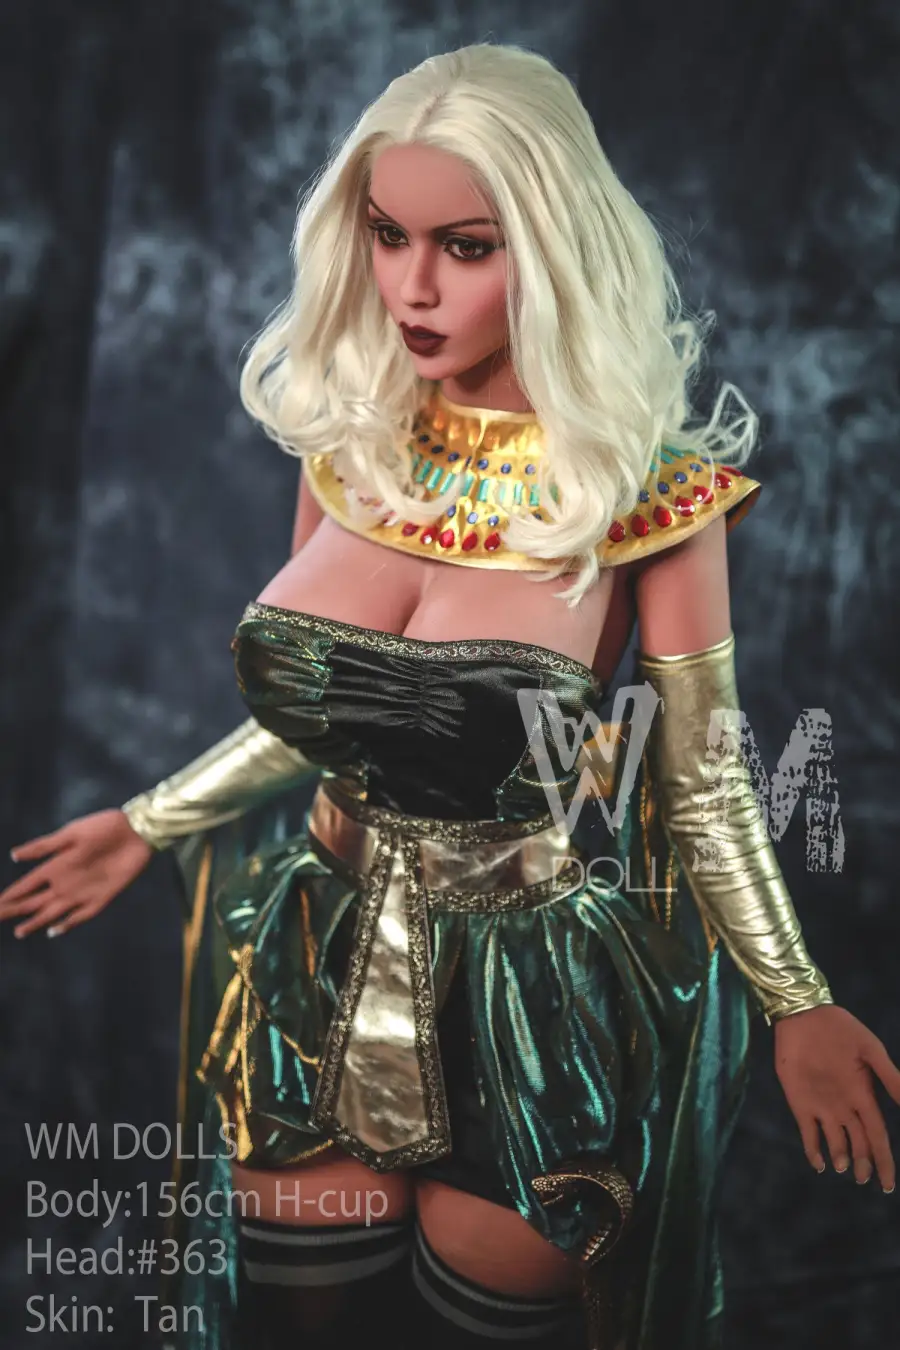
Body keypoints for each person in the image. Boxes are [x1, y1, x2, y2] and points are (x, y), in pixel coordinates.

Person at [3, 42, 898, 1350]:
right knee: (297, 1323)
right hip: (312, 958)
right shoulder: (351, 445)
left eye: (466, 246)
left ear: (553, 248)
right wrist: (151, 820)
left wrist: (795, 997)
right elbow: (327, 725)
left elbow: (701, 777)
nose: (413, 287)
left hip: (523, 999)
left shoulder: (650, 496)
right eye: (389, 235)